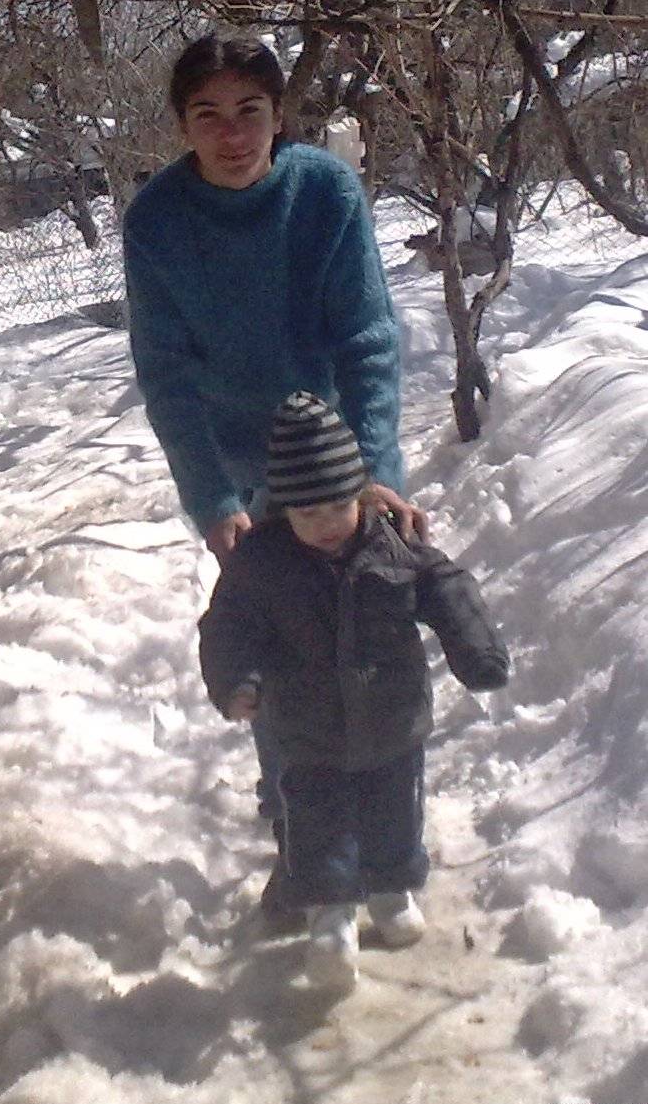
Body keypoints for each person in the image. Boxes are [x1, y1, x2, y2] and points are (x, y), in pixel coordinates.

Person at [123, 32, 427, 912]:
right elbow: (166, 376)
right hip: (244, 473)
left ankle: (388, 842)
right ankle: (301, 840)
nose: (231, 133)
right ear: (181, 124)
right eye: (207, 114)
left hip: (336, 461)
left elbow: (366, 339)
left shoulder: (323, 191)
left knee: (370, 641)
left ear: (278, 113)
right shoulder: (157, 222)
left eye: (249, 110)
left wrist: (374, 468)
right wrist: (211, 498)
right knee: (281, 655)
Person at [198, 392, 510, 990]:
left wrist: (476, 653)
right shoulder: (261, 564)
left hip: (393, 719)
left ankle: (392, 892)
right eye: (307, 512)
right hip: (307, 729)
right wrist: (236, 680)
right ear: (283, 508)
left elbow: (448, 589)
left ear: (362, 495)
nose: (325, 524)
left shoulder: (393, 544)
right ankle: (330, 917)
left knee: (395, 814)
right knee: (318, 822)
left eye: (338, 507)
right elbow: (229, 626)